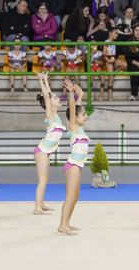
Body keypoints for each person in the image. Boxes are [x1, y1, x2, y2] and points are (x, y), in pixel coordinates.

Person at [58, 79, 89, 235]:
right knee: (70, 195)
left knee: (75, 196)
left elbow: (76, 108)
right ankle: (62, 224)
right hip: (73, 166)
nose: (86, 116)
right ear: (74, 119)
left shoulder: (80, 130)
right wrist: (71, 93)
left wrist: (81, 94)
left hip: (78, 166)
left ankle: (67, 223)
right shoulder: (74, 128)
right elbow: (72, 108)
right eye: (83, 115)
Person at [33, 72, 66, 215]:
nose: (57, 98)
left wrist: (46, 81)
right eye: (55, 98)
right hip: (42, 151)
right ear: (49, 103)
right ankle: (37, 208)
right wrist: (42, 80)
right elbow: (47, 96)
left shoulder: (57, 116)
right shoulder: (50, 115)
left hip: (46, 152)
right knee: (42, 180)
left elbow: (49, 94)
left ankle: (42, 204)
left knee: (45, 180)